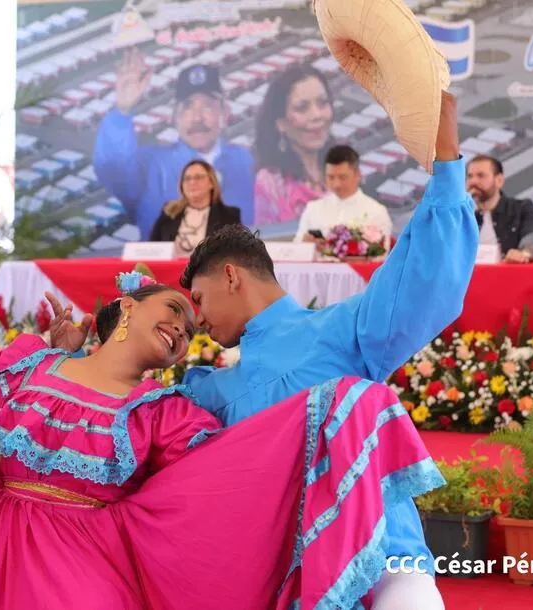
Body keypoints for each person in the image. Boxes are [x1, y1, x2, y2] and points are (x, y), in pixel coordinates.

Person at [0, 278, 443, 609]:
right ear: (124, 309)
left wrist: (331, 415)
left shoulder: (161, 414)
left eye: (189, 327)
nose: (181, 328)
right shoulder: (28, 366)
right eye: (172, 310)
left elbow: (224, 481)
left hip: (83, 575)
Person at [49, 92, 477, 608]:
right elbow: (121, 417)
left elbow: (424, 282)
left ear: (231, 276)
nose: (197, 321)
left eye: (199, 300)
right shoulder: (211, 391)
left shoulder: (342, 330)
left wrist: (447, 163)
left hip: (386, 565)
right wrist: (69, 360)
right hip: (286, 587)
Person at [93, 52, 254, 237]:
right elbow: (113, 169)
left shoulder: (248, 162)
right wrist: (122, 112)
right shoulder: (151, 165)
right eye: (187, 107)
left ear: (225, 113)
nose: (197, 117)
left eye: (208, 106)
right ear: (173, 117)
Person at [253, 66, 334, 225]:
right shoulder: (271, 182)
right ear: (281, 123)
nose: (317, 115)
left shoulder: (344, 167)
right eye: (302, 108)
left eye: (323, 103)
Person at [294, 145, 392, 244]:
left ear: (358, 174)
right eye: (331, 177)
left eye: (342, 177)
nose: (336, 184)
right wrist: (306, 243)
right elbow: (295, 247)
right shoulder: (313, 209)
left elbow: (383, 251)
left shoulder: (376, 212)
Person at [149, 159, 241, 257]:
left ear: (212, 183)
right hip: (171, 267)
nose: (192, 182)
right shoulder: (169, 211)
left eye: (198, 177)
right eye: (187, 178)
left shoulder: (229, 215)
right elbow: (152, 249)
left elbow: (236, 254)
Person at [466, 154, 533, 263]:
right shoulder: (462, 214)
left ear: (499, 180)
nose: (473, 182)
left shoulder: (522, 208)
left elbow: (532, 236)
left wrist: (524, 254)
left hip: (506, 271)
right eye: (470, 176)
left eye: (481, 176)